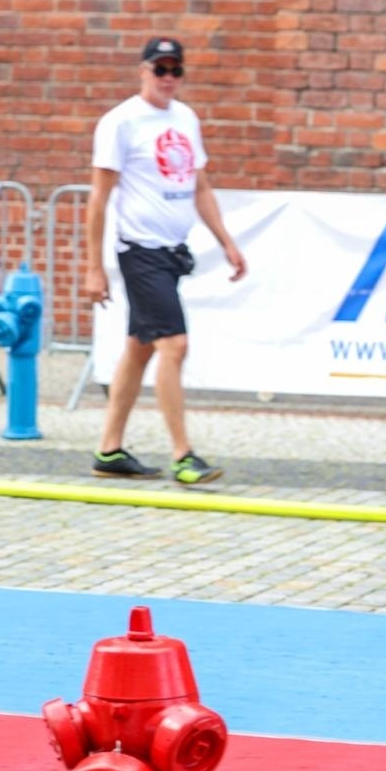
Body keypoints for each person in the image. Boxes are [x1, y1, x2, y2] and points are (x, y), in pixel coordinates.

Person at [83, 37, 247, 485]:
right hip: (140, 251)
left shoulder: (186, 118)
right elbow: (99, 199)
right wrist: (94, 267)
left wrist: (227, 242)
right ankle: (183, 455)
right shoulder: (120, 122)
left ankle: (109, 450)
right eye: (161, 69)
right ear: (144, 71)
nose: (169, 78)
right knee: (174, 346)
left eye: (176, 70)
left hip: (172, 252)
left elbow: (200, 187)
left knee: (140, 348)